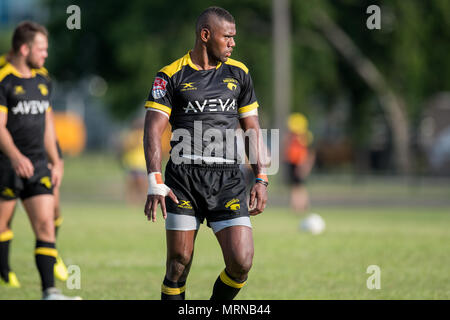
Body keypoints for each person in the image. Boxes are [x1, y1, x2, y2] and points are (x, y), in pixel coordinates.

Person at [143, 7, 268, 300]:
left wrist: (261, 177)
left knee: (241, 261)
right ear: (205, 35)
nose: (233, 43)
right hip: (183, 179)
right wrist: (154, 181)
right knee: (178, 264)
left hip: (228, 179)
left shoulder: (240, 73)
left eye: (234, 37)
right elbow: (152, 131)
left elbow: (252, 128)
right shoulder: (170, 76)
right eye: (227, 37)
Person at [0, 21, 79, 299]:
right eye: (41, 49)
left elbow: (47, 123)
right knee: (1, 225)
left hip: (37, 164)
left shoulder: (43, 79)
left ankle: (50, 292)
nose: (45, 54)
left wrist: (56, 160)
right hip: (6, 164)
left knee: (46, 223)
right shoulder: (4, 79)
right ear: (24, 49)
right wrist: (15, 156)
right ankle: (4, 271)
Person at [283, 113, 315, 213]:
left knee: (298, 186)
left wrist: (305, 166)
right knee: (295, 186)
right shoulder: (291, 137)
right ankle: (296, 206)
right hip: (292, 163)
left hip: (299, 164)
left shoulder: (304, 137)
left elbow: (309, 154)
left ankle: (301, 206)